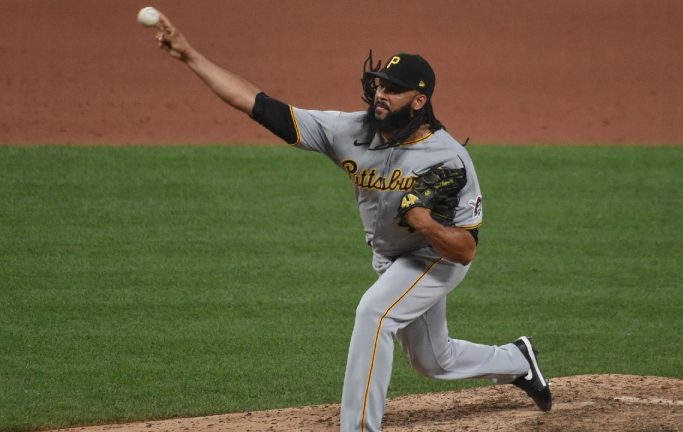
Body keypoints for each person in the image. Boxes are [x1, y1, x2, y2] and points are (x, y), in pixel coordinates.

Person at [147, 11, 553, 432]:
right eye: (379, 83)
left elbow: (466, 250)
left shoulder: (449, 158)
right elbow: (259, 105)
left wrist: (426, 224)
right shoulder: (349, 130)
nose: (380, 93)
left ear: (418, 101)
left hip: (435, 257)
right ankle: (517, 360)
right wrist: (189, 55)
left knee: (374, 313)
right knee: (433, 360)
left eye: (393, 90)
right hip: (390, 259)